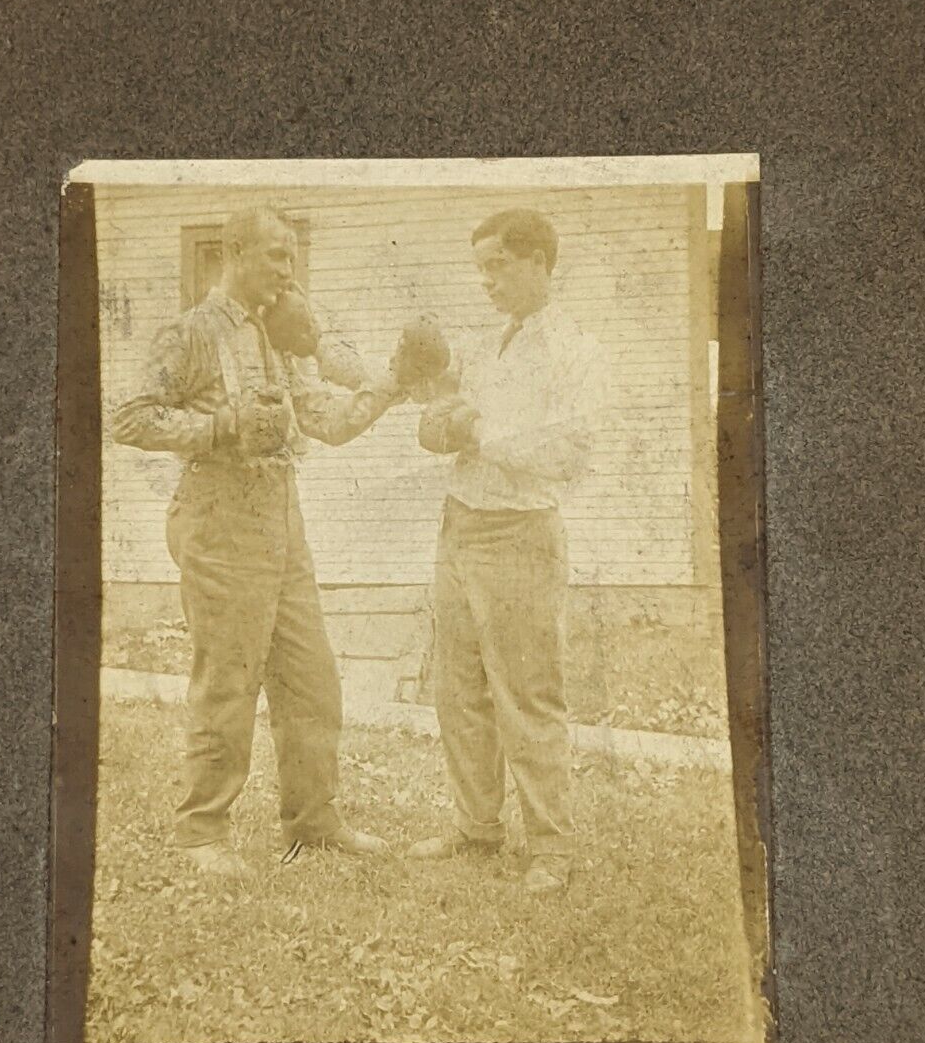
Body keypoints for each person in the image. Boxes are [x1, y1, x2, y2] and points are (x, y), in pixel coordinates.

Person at [112, 203, 424, 877]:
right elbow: (130, 419)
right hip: (219, 518)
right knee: (228, 680)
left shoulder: (281, 339)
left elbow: (327, 422)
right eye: (278, 255)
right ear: (237, 254)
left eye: (292, 255)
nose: (289, 269)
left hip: (284, 523)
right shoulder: (191, 333)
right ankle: (202, 833)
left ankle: (314, 821)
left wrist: (393, 383)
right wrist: (220, 427)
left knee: (312, 680)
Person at [410, 207, 606, 894]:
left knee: (526, 695)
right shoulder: (487, 341)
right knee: (456, 688)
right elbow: (443, 411)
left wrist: (477, 433)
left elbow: (572, 450)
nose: (487, 282)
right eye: (481, 269)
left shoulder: (572, 346)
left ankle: (551, 845)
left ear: (539, 263)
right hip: (459, 524)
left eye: (498, 266)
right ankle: (477, 829)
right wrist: (438, 422)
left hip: (520, 534)